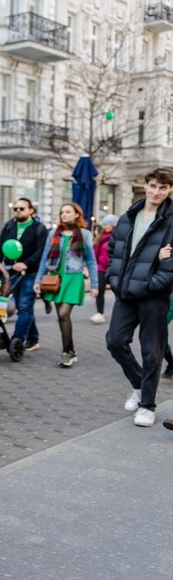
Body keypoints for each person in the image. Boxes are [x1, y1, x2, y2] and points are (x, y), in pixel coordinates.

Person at [106, 167, 173, 427]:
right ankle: (138, 386)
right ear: (146, 185)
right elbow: (114, 251)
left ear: (169, 190)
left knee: (152, 353)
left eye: (163, 188)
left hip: (153, 296)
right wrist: (114, 280)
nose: (157, 192)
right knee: (115, 341)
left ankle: (147, 405)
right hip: (125, 293)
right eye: (153, 185)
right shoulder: (128, 216)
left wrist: (150, 284)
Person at [34, 203, 98, 368]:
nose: (64, 215)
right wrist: (38, 281)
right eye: (62, 212)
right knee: (62, 317)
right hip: (55, 278)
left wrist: (95, 284)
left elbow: (91, 261)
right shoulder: (53, 234)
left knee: (63, 314)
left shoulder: (84, 234)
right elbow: (44, 259)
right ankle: (70, 351)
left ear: (77, 214)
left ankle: (66, 352)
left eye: (68, 212)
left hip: (74, 278)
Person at [0, 198, 49, 351]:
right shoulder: (9, 226)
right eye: (15, 208)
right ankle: (33, 338)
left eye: (21, 209)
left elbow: (42, 251)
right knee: (22, 306)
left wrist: (26, 263)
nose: (18, 211)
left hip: (30, 273)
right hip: (11, 273)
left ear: (31, 210)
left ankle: (17, 339)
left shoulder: (39, 228)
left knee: (24, 305)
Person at [91, 214, 118, 324]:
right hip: (100, 268)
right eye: (105, 224)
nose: (106, 226)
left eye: (109, 224)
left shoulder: (117, 237)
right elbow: (95, 252)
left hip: (113, 268)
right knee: (100, 290)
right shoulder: (100, 237)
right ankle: (100, 313)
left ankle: (119, 313)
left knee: (117, 291)